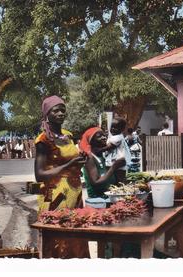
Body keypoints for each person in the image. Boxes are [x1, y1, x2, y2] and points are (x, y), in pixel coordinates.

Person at [34, 95, 89, 258]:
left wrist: (80, 161)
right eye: (55, 110)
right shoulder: (43, 140)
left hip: (74, 192)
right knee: (58, 238)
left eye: (63, 110)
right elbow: (39, 175)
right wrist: (68, 165)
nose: (60, 113)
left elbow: (71, 161)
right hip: (55, 196)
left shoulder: (68, 135)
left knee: (76, 235)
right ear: (47, 114)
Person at [80, 127, 125, 199]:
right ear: (91, 141)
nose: (104, 138)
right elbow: (96, 182)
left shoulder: (105, 155)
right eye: (99, 136)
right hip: (98, 199)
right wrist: (114, 167)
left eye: (104, 135)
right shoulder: (90, 158)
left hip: (110, 197)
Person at [104, 117, 131, 184]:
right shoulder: (112, 137)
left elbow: (109, 147)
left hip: (119, 164)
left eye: (116, 128)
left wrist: (98, 150)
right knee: (115, 181)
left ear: (122, 129)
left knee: (119, 181)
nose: (113, 129)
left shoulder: (118, 137)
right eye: (112, 127)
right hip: (115, 164)